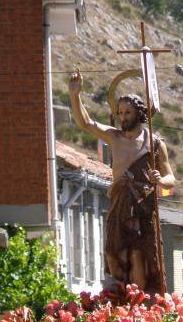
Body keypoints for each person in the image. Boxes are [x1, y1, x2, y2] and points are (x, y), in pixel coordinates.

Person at [68, 71, 175, 295]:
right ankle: (119, 296)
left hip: (142, 206)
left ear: (139, 113)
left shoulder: (154, 143)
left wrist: (160, 180)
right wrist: (74, 95)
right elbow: (85, 123)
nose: (123, 117)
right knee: (114, 253)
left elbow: (170, 179)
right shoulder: (114, 136)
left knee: (138, 254)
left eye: (128, 112)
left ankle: (140, 300)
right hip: (119, 204)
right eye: (120, 113)